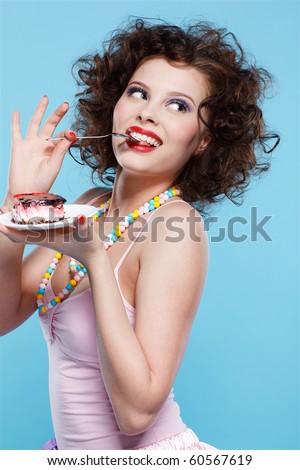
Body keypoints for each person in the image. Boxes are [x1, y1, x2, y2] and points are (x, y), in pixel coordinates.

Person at [0, 18, 279, 450]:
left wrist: (94, 259)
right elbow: (4, 315)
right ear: (115, 103)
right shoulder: (93, 204)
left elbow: (135, 415)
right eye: (139, 93)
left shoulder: (177, 226)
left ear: (204, 140)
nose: (148, 112)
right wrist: (18, 200)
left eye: (179, 105)